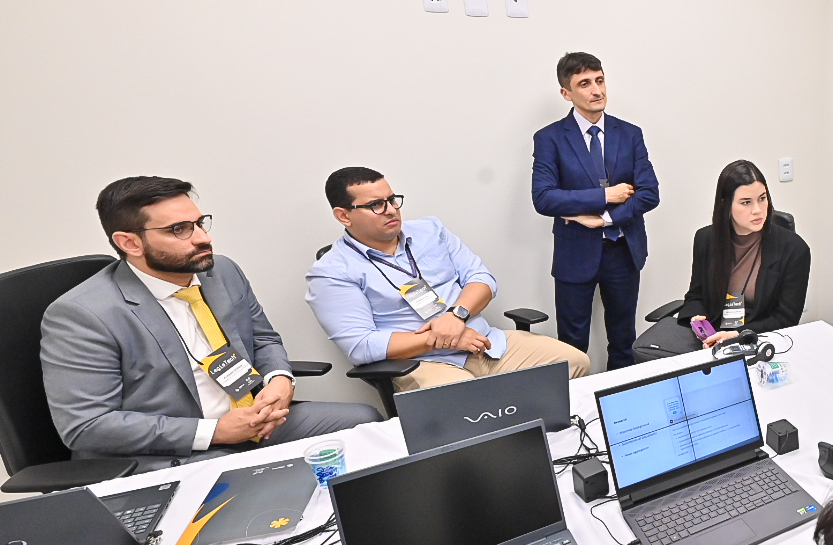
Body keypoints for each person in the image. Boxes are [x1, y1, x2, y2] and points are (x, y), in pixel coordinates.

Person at [41, 177, 380, 471]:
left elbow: (263, 339)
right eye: (179, 230)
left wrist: (279, 380)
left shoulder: (221, 271)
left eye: (200, 223)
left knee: (365, 425)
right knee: (246, 481)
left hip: (256, 423)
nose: (203, 238)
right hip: (172, 450)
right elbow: (87, 426)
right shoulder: (83, 315)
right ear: (129, 243)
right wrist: (215, 432)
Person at [306, 168, 589, 391]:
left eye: (392, 200)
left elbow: (482, 278)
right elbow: (361, 345)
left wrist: (456, 316)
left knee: (575, 362)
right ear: (343, 215)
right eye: (376, 205)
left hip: (484, 342)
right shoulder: (331, 271)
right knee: (465, 401)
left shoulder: (430, 230)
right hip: (422, 362)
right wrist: (441, 338)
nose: (391, 209)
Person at [531, 52, 660, 370]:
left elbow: (649, 193)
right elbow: (544, 198)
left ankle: (622, 399)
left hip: (623, 252)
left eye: (600, 80)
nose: (597, 90)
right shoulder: (549, 139)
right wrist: (606, 195)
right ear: (566, 93)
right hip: (575, 255)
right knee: (572, 345)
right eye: (585, 84)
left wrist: (604, 219)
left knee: (624, 340)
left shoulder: (629, 134)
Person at [676, 160, 811, 350]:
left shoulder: (795, 249)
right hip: (712, 337)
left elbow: (786, 318)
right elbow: (696, 295)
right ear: (725, 204)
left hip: (761, 340)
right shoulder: (705, 239)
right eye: (746, 202)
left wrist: (737, 335)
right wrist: (697, 319)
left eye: (762, 198)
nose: (757, 210)